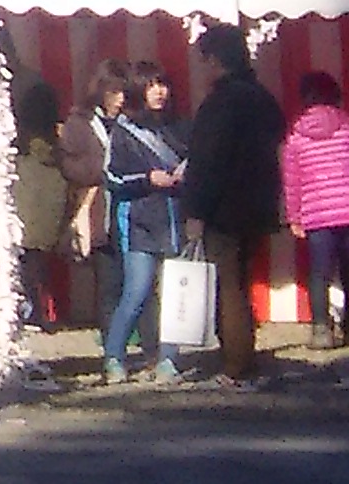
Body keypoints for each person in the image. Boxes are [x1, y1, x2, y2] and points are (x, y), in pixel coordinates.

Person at [178, 22, 287, 386]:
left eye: (205, 59)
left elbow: (208, 161)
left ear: (215, 59)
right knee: (241, 280)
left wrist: (196, 210)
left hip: (224, 207)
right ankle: (244, 358)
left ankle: (236, 366)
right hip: (257, 204)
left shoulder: (222, 102)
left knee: (229, 286)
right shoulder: (262, 97)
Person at [98, 62, 184, 382]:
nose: (159, 92)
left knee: (175, 294)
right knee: (136, 291)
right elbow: (113, 176)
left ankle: (168, 361)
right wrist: (148, 178)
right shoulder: (123, 130)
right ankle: (114, 358)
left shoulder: (177, 127)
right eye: (151, 85)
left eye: (163, 84)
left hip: (174, 217)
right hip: (139, 221)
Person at [55, 60, 125, 329]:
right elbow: (68, 163)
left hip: (130, 208)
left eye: (123, 93)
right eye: (114, 92)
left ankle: (144, 345)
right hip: (97, 208)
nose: (119, 100)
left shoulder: (129, 122)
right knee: (107, 280)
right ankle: (112, 347)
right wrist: (101, 170)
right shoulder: (80, 122)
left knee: (135, 279)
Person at [282, 70, 349, 349]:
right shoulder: (346, 128)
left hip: (316, 216)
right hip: (347, 210)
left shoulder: (296, 138)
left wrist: (294, 217)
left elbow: (292, 182)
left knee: (319, 273)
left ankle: (321, 330)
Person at [11, 80, 71, 329]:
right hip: (50, 212)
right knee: (39, 267)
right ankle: (45, 312)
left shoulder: (18, 145)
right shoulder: (58, 144)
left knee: (22, 267)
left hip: (22, 212)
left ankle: (30, 312)